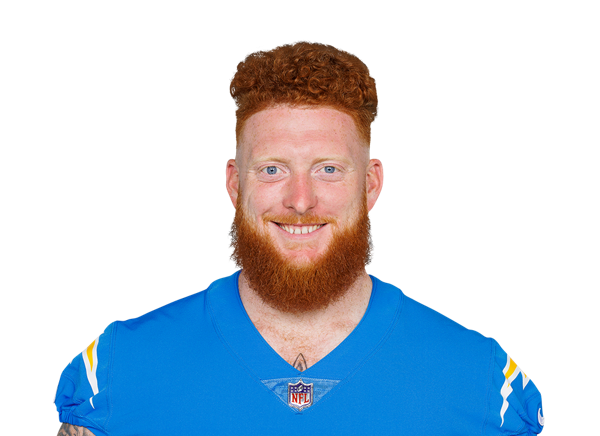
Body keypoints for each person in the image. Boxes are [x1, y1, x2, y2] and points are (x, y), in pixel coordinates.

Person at [54, 40, 544, 435]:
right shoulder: (117, 369)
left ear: (370, 185)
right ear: (235, 185)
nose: (301, 200)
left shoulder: (484, 382)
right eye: (273, 169)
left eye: (328, 169)